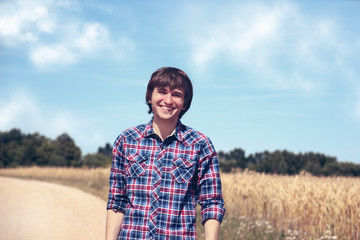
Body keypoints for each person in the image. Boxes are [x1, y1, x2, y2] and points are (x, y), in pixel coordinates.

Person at [105, 67, 226, 240]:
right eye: (162, 92)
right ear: (149, 96)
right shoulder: (126, 140)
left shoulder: (200, 144)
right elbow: (117, 201)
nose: (168, 100)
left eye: (176, 94)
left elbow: (212, 202)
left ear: (185, 102)